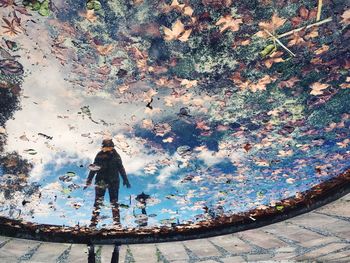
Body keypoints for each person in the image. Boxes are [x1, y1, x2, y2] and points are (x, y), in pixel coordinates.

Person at [84, 139, 131, 227]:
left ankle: (116, 223)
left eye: (110, 147)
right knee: (98, 201)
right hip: (101, 180)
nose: (108, 149)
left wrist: (125, 179)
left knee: (114, 202)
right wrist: (89, 180)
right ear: (103, 147)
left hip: (114, 181)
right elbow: (94, 168)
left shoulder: (116, 156)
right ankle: (93, 223)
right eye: (106, 147)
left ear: (112, 147)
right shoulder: (99, 155)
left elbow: (121, 168)